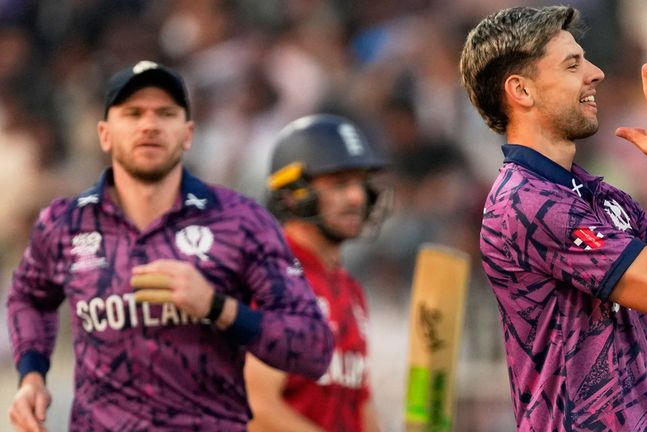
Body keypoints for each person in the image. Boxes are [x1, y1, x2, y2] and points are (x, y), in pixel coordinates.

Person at [459, 6, 647, 431]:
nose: (595, 73)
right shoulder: (524, 203)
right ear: (521, 90)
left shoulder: (595, 195)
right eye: (573, 64)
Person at [6, 60, 334, 432]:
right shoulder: (65, 224)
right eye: (132, 113)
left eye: (165, 113)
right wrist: (31, 375)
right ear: (104, 134)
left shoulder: (241, 221)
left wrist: (217, 307)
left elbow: (314, 348)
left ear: (188, 133)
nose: (149, 125)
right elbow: (28, 297)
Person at [244, 114, 388, 431]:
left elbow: (359, 402)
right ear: (293, 192)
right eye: (339, 184)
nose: (356, 197)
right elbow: (257, 409)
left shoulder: (351, 289)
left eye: (360, 183)